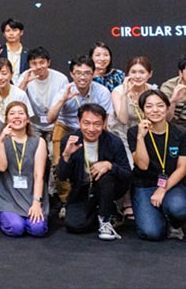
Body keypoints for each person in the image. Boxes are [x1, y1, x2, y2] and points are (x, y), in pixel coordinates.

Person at [55, 103, 131, 240]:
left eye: (97, 124)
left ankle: (105, 219)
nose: (91, 129)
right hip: (82, 189)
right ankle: (107, 211)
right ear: (79, 121)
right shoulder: (70, 140)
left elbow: (127, 173)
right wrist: (66, 155)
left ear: (104, 123)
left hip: (109, 187)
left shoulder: (114, 141)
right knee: (74, 225)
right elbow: (62, 176)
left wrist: (110, 165)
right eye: (86, 123)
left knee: (105, 175)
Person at [48, 55, 114, 209]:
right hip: (67, 128)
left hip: (93, 129)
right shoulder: (64, 91)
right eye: (78, 73)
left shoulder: (102, 92)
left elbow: (105, 121)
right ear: (72, 74)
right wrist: (63, 100)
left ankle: (94, 198)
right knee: (60, 162)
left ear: (93, 74)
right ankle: (66, 202)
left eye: (87, 73)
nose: (82, 77)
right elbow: (50, 119)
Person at [127, 89, 186, 241]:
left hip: (172, 183)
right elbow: (143, 165)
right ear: (142, 110)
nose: (155, 110)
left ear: (168, 107)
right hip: (145, 184)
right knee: (151, 233)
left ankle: (174, 222)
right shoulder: (134, 132)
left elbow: (182, 168)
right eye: (149, 106)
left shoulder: (181, 133)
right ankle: (159, 217)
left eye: (160, 105)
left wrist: (163, 189)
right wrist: (140, 137)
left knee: (179, 210)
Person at [0, 101, 49, 237]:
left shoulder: (39, 142)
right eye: (12, 114)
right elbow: (1, 167)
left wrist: (36, 202)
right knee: (16, 227)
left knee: (37, 229)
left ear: (27, 119)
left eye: (21, 113)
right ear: (6, 119)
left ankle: (31, 213)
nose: (16, 116)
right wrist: (2, 141)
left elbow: (39, 175)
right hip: (7, 196)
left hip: (30, 195)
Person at [110, 56, 154, 220]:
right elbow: (122, 119)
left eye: (142, 72)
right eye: (133, 72)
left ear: (149, 74)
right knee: (128, 165)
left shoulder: (153, 92)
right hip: (122, 134)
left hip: (145, 133)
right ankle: (127, 201)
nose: (137, 76)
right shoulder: (118, 91)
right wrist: (125, 95)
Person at [16, 47, 67, 159]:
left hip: (55, 123)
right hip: (33, 124)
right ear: (29, 64)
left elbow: (64, 105)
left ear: (48, 62)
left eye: (42, 62)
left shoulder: (61, 79)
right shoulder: (25, 76)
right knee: (33, 154)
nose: (38, 67)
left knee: (54, 154)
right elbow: (15, 100)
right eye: (34, 63)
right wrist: (24, 83)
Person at [0, 18, 28, 84]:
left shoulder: (28, 53)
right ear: (4, 34)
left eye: (14, 30)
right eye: (8, 31)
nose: (11, 33)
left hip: (23, 87)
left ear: (21, 32)